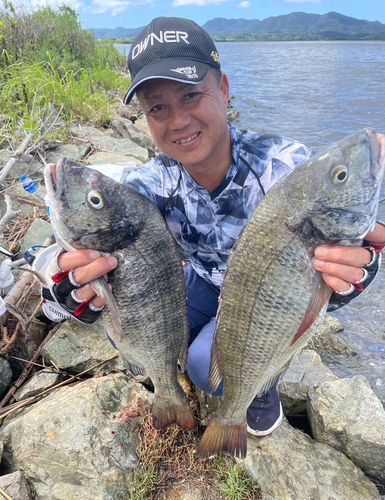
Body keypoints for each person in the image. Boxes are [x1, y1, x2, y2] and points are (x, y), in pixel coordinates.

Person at [44, 17, 385, 437]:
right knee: (133, 330)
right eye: (158, 107)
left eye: (191, 95)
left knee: (210, 368)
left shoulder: (288, 169)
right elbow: (81, 241)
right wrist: (64, 282)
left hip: (266, 298)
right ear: (146, 118)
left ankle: (260, 386)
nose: (179, 121)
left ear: (223, 90)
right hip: (205, 281)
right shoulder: (150, 185)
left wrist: (357, 273)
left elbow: (343, 252)